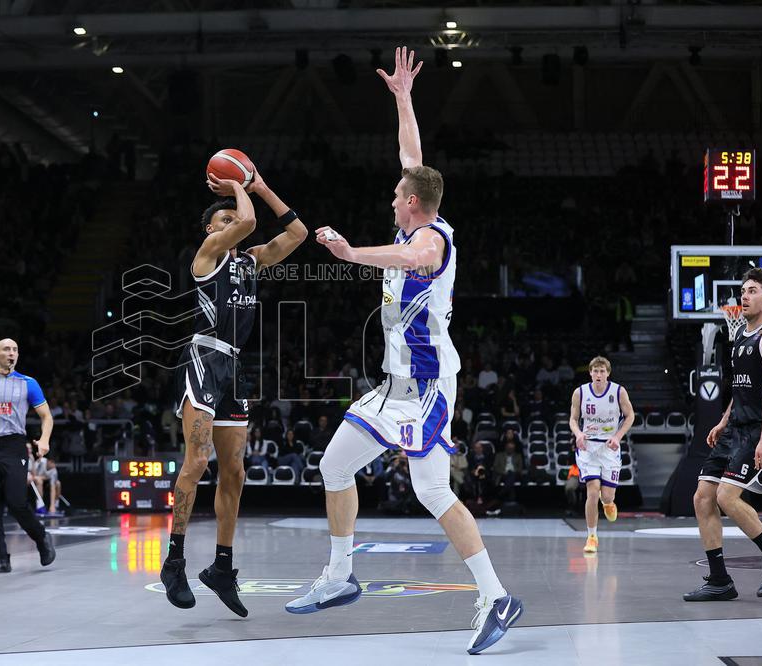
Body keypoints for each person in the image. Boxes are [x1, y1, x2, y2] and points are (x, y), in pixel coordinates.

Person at [286, 47, 522, 655]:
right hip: (396, 385)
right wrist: (402, 97)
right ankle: (340, 577)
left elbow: (411, 259)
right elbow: (411, 157)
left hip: (430, 383)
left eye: (398, 194)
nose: (393, 196)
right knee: (333, 467)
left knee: (434, 492)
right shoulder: (416, 210)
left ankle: (495, 595)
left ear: (413, 204)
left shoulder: (429, 242)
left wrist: (349, 254)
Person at [161, 165, 307, 617]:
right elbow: (246, 222)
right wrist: (238, 189)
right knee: (197, 461)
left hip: (235, 366)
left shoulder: (252, 260)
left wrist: (261, 186)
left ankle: (222, 568)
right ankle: (175, 559)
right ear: (210, 229)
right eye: (222, 219)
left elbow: (298, 232)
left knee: (235, 473)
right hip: (203, 358)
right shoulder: (207, 254)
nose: (231, 222)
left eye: (231, 217)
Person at [685, 269, 762, 601]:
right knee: (702, 497)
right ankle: (720, 580)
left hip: (755, 431)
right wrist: (722, 420)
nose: (743, 296)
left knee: (726, 497)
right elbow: (740, 388)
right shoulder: (739, 337)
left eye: (751, 291)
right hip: (734, 428)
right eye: (742, 291)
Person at [0, 338, 55, 573]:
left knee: (16, 502)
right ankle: (1, 558)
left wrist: (44, 439)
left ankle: (41, 537)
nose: (11, 353)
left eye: (15, 349)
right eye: (6, 349)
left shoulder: (28, 384)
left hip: (15, 446)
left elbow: (47, 416)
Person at [569, 356, 634, 553]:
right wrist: (579, 434)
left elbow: (630, 416)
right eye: (595, 371)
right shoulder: (580, 392)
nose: (598, 374)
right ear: (590, 373)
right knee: (592, 490)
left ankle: (608, 503)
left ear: (608, 373)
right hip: (588, 448)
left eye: (602, 371)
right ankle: (592, 536)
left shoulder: (618, 391)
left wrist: (618, 437)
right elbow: (573, 419)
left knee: (606, 495)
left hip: (609, 448)